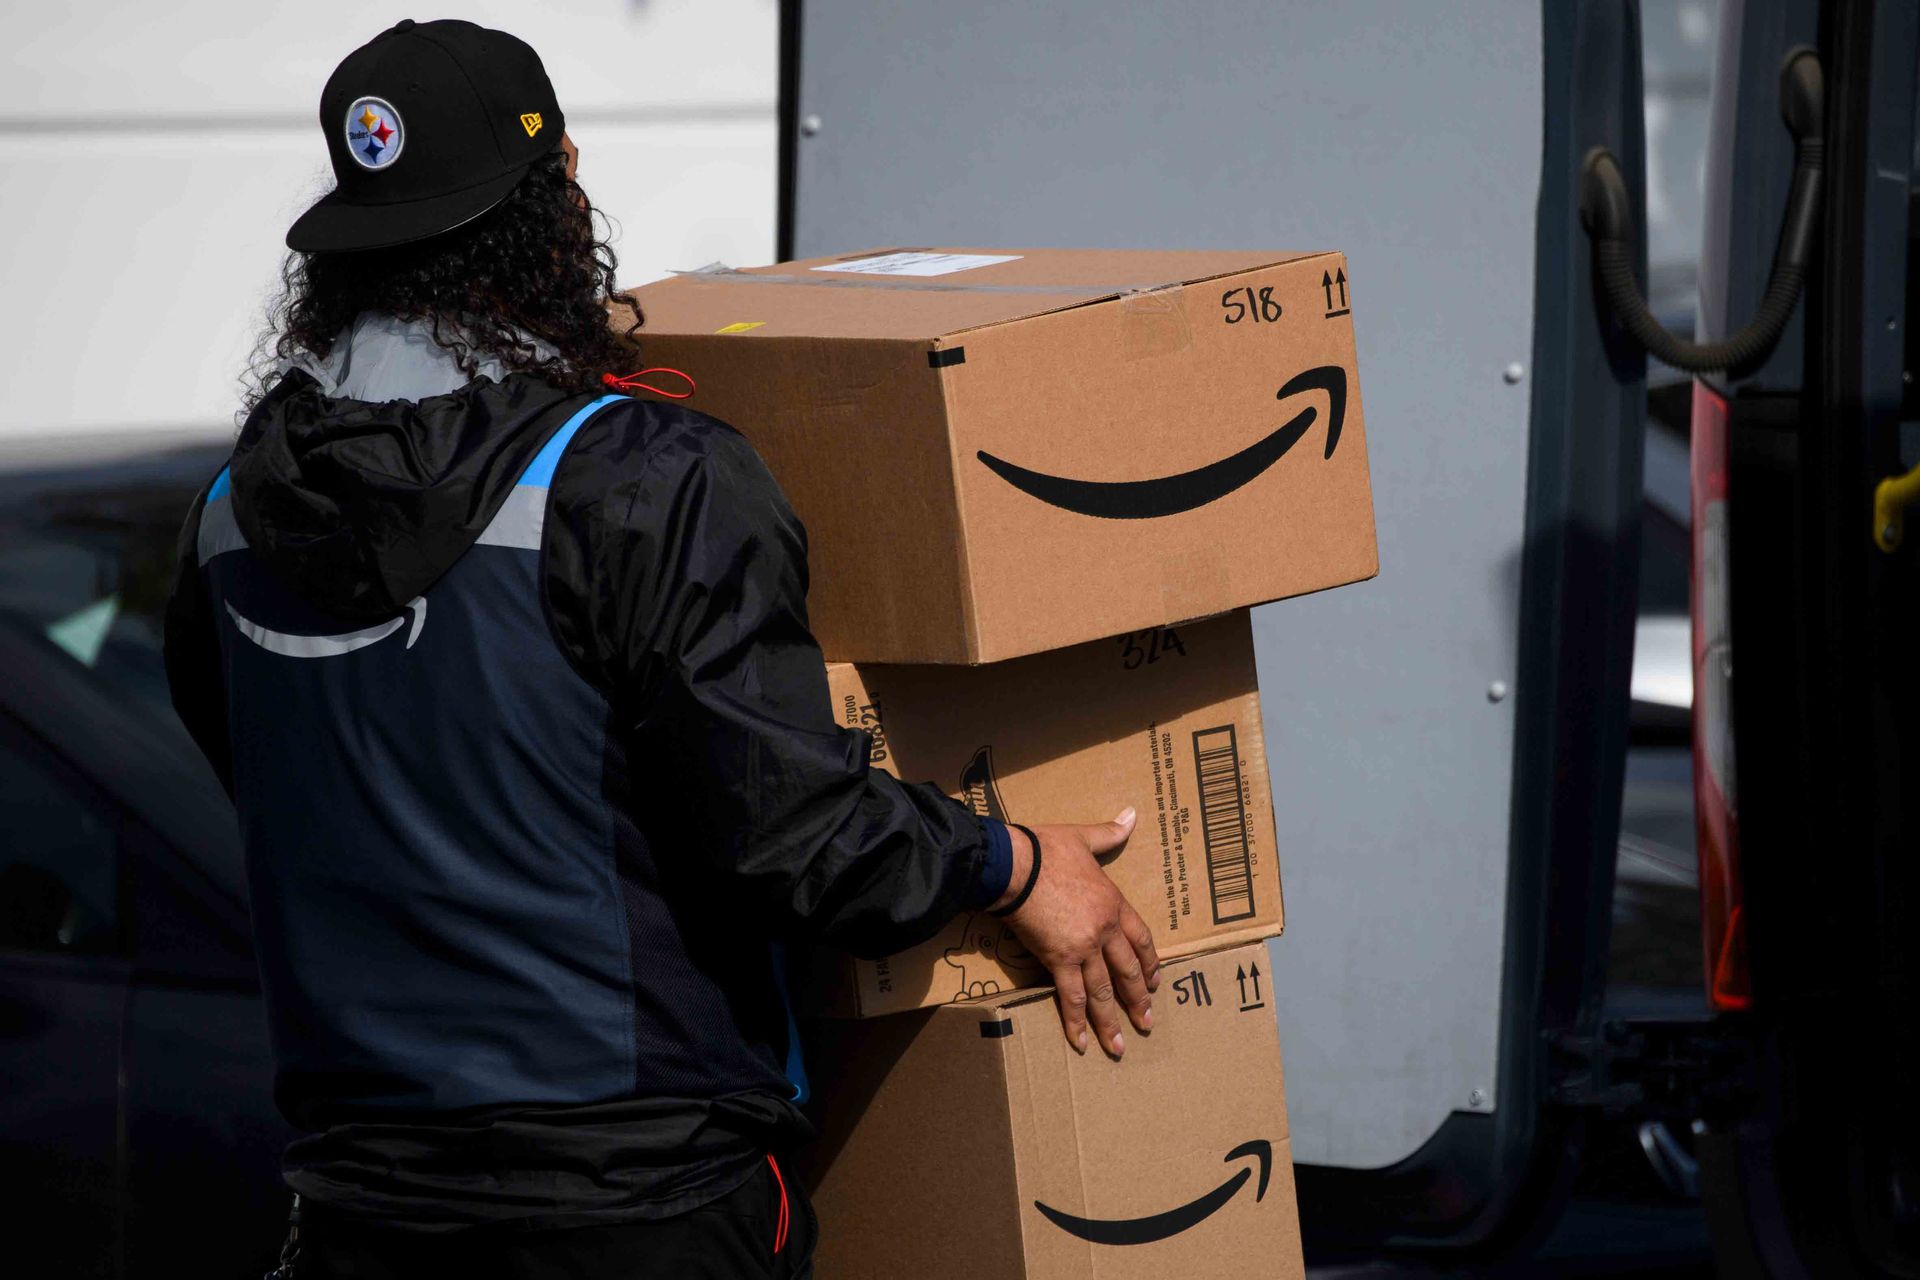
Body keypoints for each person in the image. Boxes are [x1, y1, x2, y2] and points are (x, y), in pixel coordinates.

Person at [163, 20, 1159, 1279]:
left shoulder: (226, 516)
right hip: (633, 1203)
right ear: (559, 199)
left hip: (361, 1211)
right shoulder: (638, 478)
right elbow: (786, 833)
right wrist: (1009, 860)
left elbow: (289, 796)